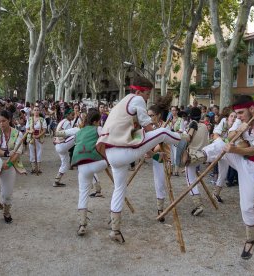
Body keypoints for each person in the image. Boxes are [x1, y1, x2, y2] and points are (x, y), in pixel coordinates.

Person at [188, 95, 254, 260]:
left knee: (246, 206)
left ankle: (250, 240)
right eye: (236, 114)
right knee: (219, 145)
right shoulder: (241, 118)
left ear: (252, 109)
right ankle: (195, 157)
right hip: (239, 156)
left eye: (240, 113)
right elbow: (229, 136)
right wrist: (239, 130)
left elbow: (253, 150)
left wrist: (232, 149)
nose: (238, 116)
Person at [96, 74, 187, 243]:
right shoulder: (137, 99)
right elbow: (147, 124)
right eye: (147, 94)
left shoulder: (120, 104)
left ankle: (115, 230)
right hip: (123, 151)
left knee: (119, 189)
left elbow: (134, 132)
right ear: (141, 91)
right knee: (163, 132)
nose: (147, 98)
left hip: (112, 153)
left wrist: (147, 144)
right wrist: (154, 141)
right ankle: (182, 141)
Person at [68, 108, 108, 236]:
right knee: (114, 159)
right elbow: (107, 141)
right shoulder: (99, 128)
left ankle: (82, 224)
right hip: (98, 163)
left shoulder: (79, 132)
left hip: (82, 166)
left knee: (83, 193)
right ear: (97, 121)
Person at [183, 107, 209, 216]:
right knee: (192, 177)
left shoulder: (192, 127)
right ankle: (198, 203)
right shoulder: (204, 126)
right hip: (202, 155)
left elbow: (185, 141)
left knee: (190, 180)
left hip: (192, 156)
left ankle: (198, 204)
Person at [212, 108, 239, 203]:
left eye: (235, 117)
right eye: (232, 116)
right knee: (206, 156)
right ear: (227, 117)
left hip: (228, 152)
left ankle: (216, 194)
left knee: (223, 174)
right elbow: (215, 135)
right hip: (218, 148)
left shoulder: (237, 126)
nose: (233, 118)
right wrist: (222, 143)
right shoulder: (223, 122)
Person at [53, 107, 76, 186]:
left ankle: (57, 180)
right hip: (62, 144)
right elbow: (61, 134)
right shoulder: (67, 122)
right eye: (72, 115)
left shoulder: (62, 121)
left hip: (58, 145)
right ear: (68, 115)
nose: (73, 116)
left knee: (65, 163)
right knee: (77, 132)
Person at [26, 106, 47, 173]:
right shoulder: (29, 119)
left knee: (39, 152)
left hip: (39, 138)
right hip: (31, 138)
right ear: (32, 111)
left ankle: (38, 168)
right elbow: (27, 129)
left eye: (37, 110)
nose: (36, 111)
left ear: (39, 111)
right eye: (35, 110)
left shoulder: (42, 119)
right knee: (32, 152)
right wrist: (30, 132)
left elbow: (44, 130)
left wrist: (38, 136)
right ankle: (33, 168)